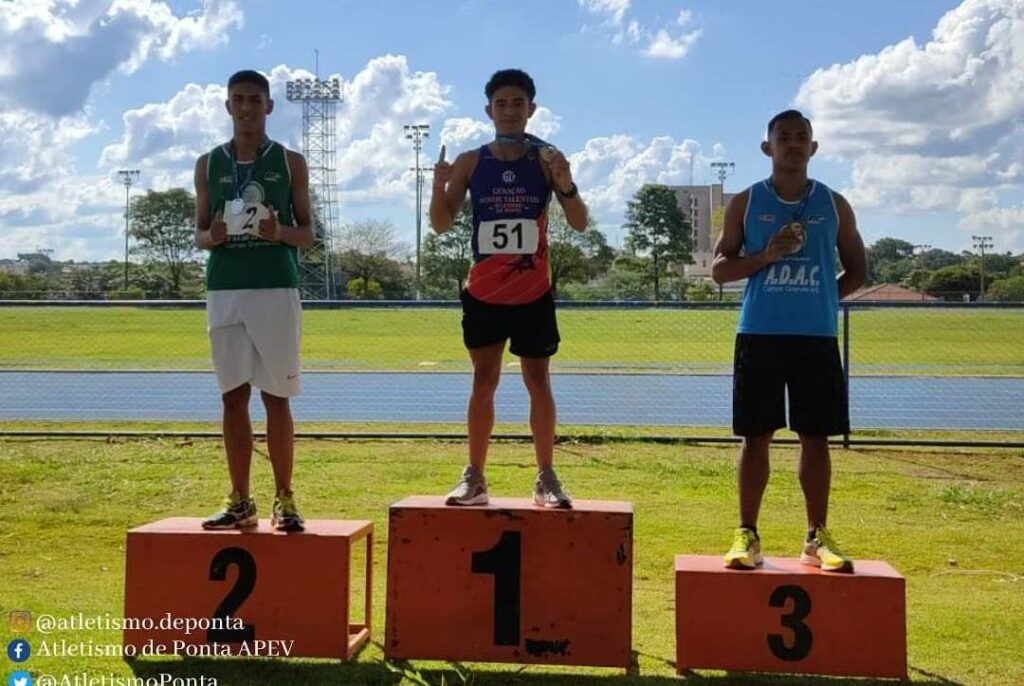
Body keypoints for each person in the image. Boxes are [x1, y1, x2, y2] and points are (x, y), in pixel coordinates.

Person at [712, 109, 867, 572]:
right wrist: (764, 256)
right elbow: (720, 270)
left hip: (815, 337)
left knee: (814, 438)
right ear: (768, 147)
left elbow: (858, 272)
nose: (794, 144)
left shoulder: (834, 204)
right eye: (784, 137)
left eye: (803, 137)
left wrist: (820, 298)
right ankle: (747, 535)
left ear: (814, 148)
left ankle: (816, 536)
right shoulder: (746, 201)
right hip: (759, 334)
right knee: (755, 437)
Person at [429, 68, 589, 508]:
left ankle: (546, 477)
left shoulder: (546, 159)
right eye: (501, 103)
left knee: (538, 381)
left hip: (533, 291)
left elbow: (579, 222)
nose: (510, 110)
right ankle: (475, 476)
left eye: (518, 103)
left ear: (531, 108)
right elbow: (442, 226)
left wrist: (566, 182)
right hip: (484, 291)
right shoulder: (470, 162)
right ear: (488, 110)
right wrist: (437, 188)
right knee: (484, 381)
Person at [193, 70, 314, 532]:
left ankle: (285, 498)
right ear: (227, 106)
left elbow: (308, 234)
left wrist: (278, 232)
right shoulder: (208, 163)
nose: (245, 107)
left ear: (268, 106)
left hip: (274, 290)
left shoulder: (290, 163)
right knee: (232, 398)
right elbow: (201, 233)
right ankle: (240, 500)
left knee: (277, 397)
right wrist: (213, 236)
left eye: (254, 100)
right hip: (225, 290)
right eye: (237, 99)